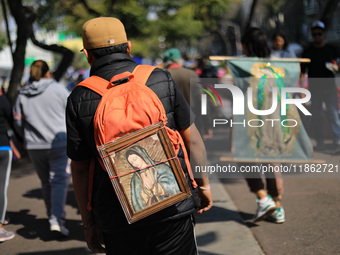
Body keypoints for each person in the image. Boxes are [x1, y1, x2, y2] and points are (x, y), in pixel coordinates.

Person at [66, 17, 212, 255]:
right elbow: (192, 140)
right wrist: (203, 185)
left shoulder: (79, 97)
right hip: (173, 207)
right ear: (129, 47)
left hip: (118, 215)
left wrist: (88, 223)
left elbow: (80, 169)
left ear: (88, 55)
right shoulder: (159, 78)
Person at [13, 60, 71, 236]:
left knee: (46, 182)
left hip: (34, 145)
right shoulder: (58, 89)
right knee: (59, 181)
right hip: (58, 143)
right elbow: (71, 110)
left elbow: (17, 120)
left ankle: (51, 216)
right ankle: (56, 220)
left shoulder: (23, 94)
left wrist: (25, 136)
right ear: (48, 73)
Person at [240, 27, 285, 224]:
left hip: (250, 119)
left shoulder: (244, 67)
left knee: (245, 158)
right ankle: (277, 205)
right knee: (272, 160)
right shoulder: (276, 64)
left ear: (248, 46)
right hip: (273, 117)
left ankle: (264, 198)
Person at [301, 20, 340, 153]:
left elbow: (338, 66)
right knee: (316, 116)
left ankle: (337, 142)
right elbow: (302, 72)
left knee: (333, 114)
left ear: (324, 34)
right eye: (314, 34)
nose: (317, 36)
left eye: (319, 33)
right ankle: (320, 142)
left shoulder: (332, 50)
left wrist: (336, 66)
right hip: (314, 89)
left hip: (330, 88)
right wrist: (301, 91)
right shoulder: (308, 52)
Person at [163, 48, 212, 140]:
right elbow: (202, 100)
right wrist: (207, 125)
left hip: (172, 128)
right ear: (180, 60)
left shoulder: (162, 76)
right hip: (193, 124)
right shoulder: (191, 74)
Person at [126, 146, 180, 212]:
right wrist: (146, 192)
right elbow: (137, 202)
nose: (135, 164)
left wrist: (156, 187)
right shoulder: (135, 179)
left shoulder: (160, 167)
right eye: (132, 163)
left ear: (141, 155)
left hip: (173, 207)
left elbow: (174, 185)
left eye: (135, 159)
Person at [0, 91, 15, 242]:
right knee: (1, 187)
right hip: (3, 148)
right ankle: (0, 226)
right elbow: (13, 123)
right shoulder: (3, 101)